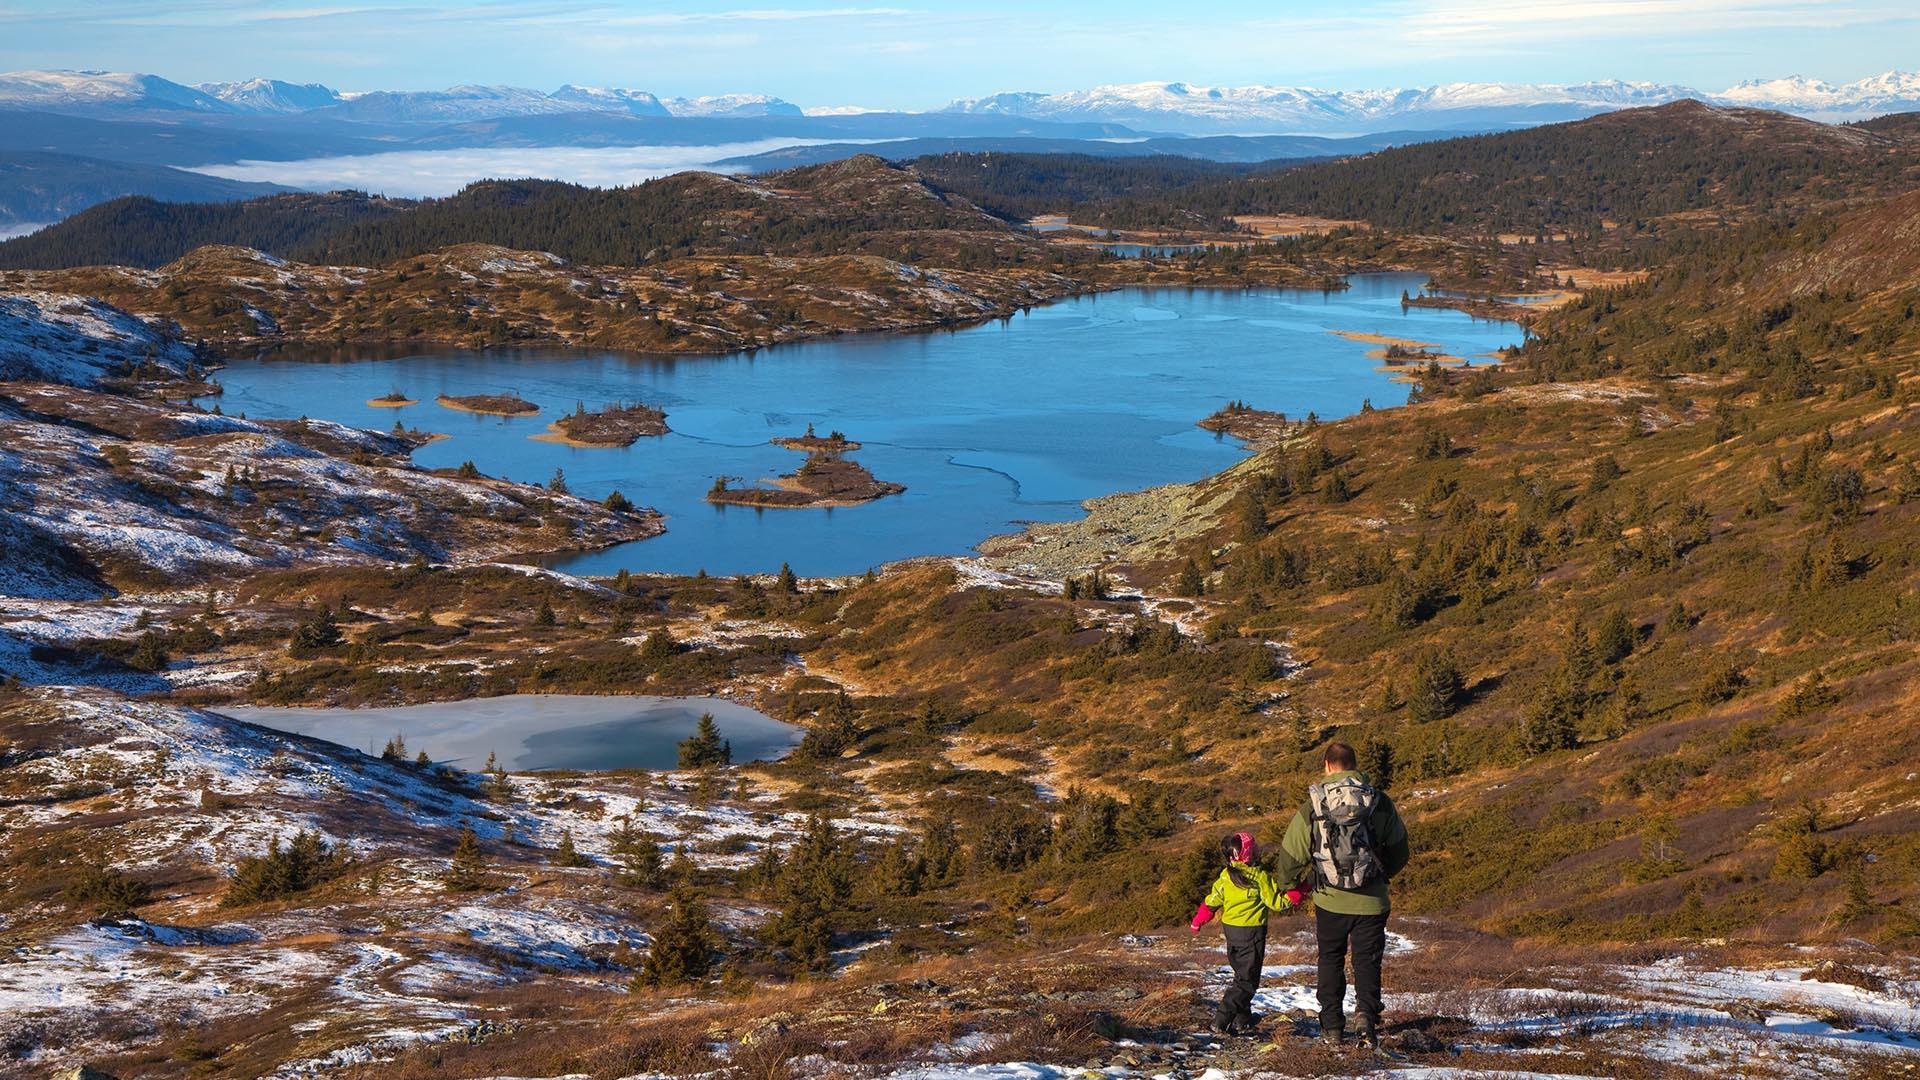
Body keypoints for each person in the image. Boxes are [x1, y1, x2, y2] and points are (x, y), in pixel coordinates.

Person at [1272, 741, 1410, 1048]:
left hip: (1329, 899)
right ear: (1354, 764)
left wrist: (1290, 887)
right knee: (1367, 962)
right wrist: (1379, 875)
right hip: (1372, 902)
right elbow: (1401, 851)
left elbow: (1290, 856)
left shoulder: (1315, 805)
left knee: (1331, 960)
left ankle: (1332, 1027)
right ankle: (1366, 1022)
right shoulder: (1379, 802)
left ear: (1326, 766)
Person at [1188, 830, 1303, 1035]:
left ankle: (1243, 1019)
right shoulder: (1259, 876)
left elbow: (1211, 902)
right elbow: (1276, 903)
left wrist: (1198, 921)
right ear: (1248, 854)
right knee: (1247, 981)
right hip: (1251, 933)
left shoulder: (1225, 876)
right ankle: (1221, 1019)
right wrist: (1297, 894)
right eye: (1255, 846)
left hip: (1231, 933)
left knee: (1241, 974)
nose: (1258, 848)